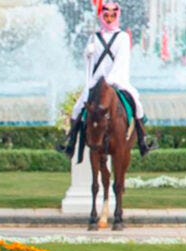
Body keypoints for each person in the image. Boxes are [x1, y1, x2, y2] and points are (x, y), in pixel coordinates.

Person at [59, 0, 154, 158]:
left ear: (117, 16)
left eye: (112, 15)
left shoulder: (122, 37)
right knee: (77, 108)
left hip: (117, 81)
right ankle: (70, 143)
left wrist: (110, 80)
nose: (109, 18)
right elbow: (91, 62)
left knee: (137, 104)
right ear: (102, 16)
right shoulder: (94, 37)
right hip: (96, 82)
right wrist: (87, 54)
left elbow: (121, 60)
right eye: (106, 15)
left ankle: (143, 140)